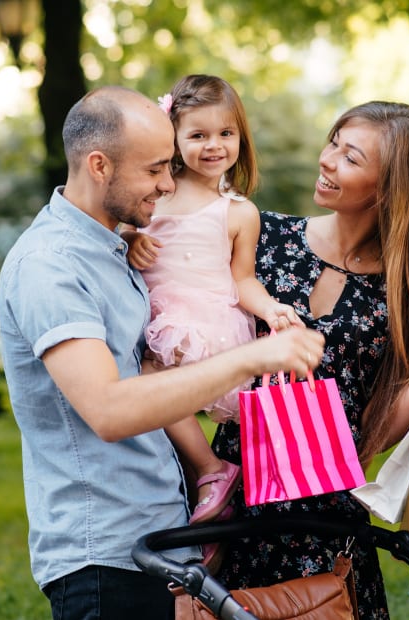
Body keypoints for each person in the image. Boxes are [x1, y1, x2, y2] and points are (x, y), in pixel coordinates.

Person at [0, 85, 325, 620]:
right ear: (99, 165)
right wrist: (251, 359)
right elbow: (109, 409)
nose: (168, 184)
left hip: (157, 543)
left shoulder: (114, 245)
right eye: (154, 170)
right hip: (105, 560)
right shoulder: (51, 266)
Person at [207, 101, 409, 620]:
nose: (326, 160)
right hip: (230, 497)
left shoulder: (403, 292)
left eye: (350, 157)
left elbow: (368, 437)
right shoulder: (262, 235)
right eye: (333, 142)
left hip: (326, 524)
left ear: (389, 188)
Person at [123, 75, 303, 530]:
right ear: (174, 138)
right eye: (197, 135)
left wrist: (269, 309)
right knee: (153, 388)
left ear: (241, 136)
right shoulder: (155, 196)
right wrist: (129, 239)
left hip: (204, 321)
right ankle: (198, 482)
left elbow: (241, 279)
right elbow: (114, 228)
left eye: (226, 134)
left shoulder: (239, 211)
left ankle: (210, 470)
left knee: (151, 375)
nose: (213, 146)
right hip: (156, 314)